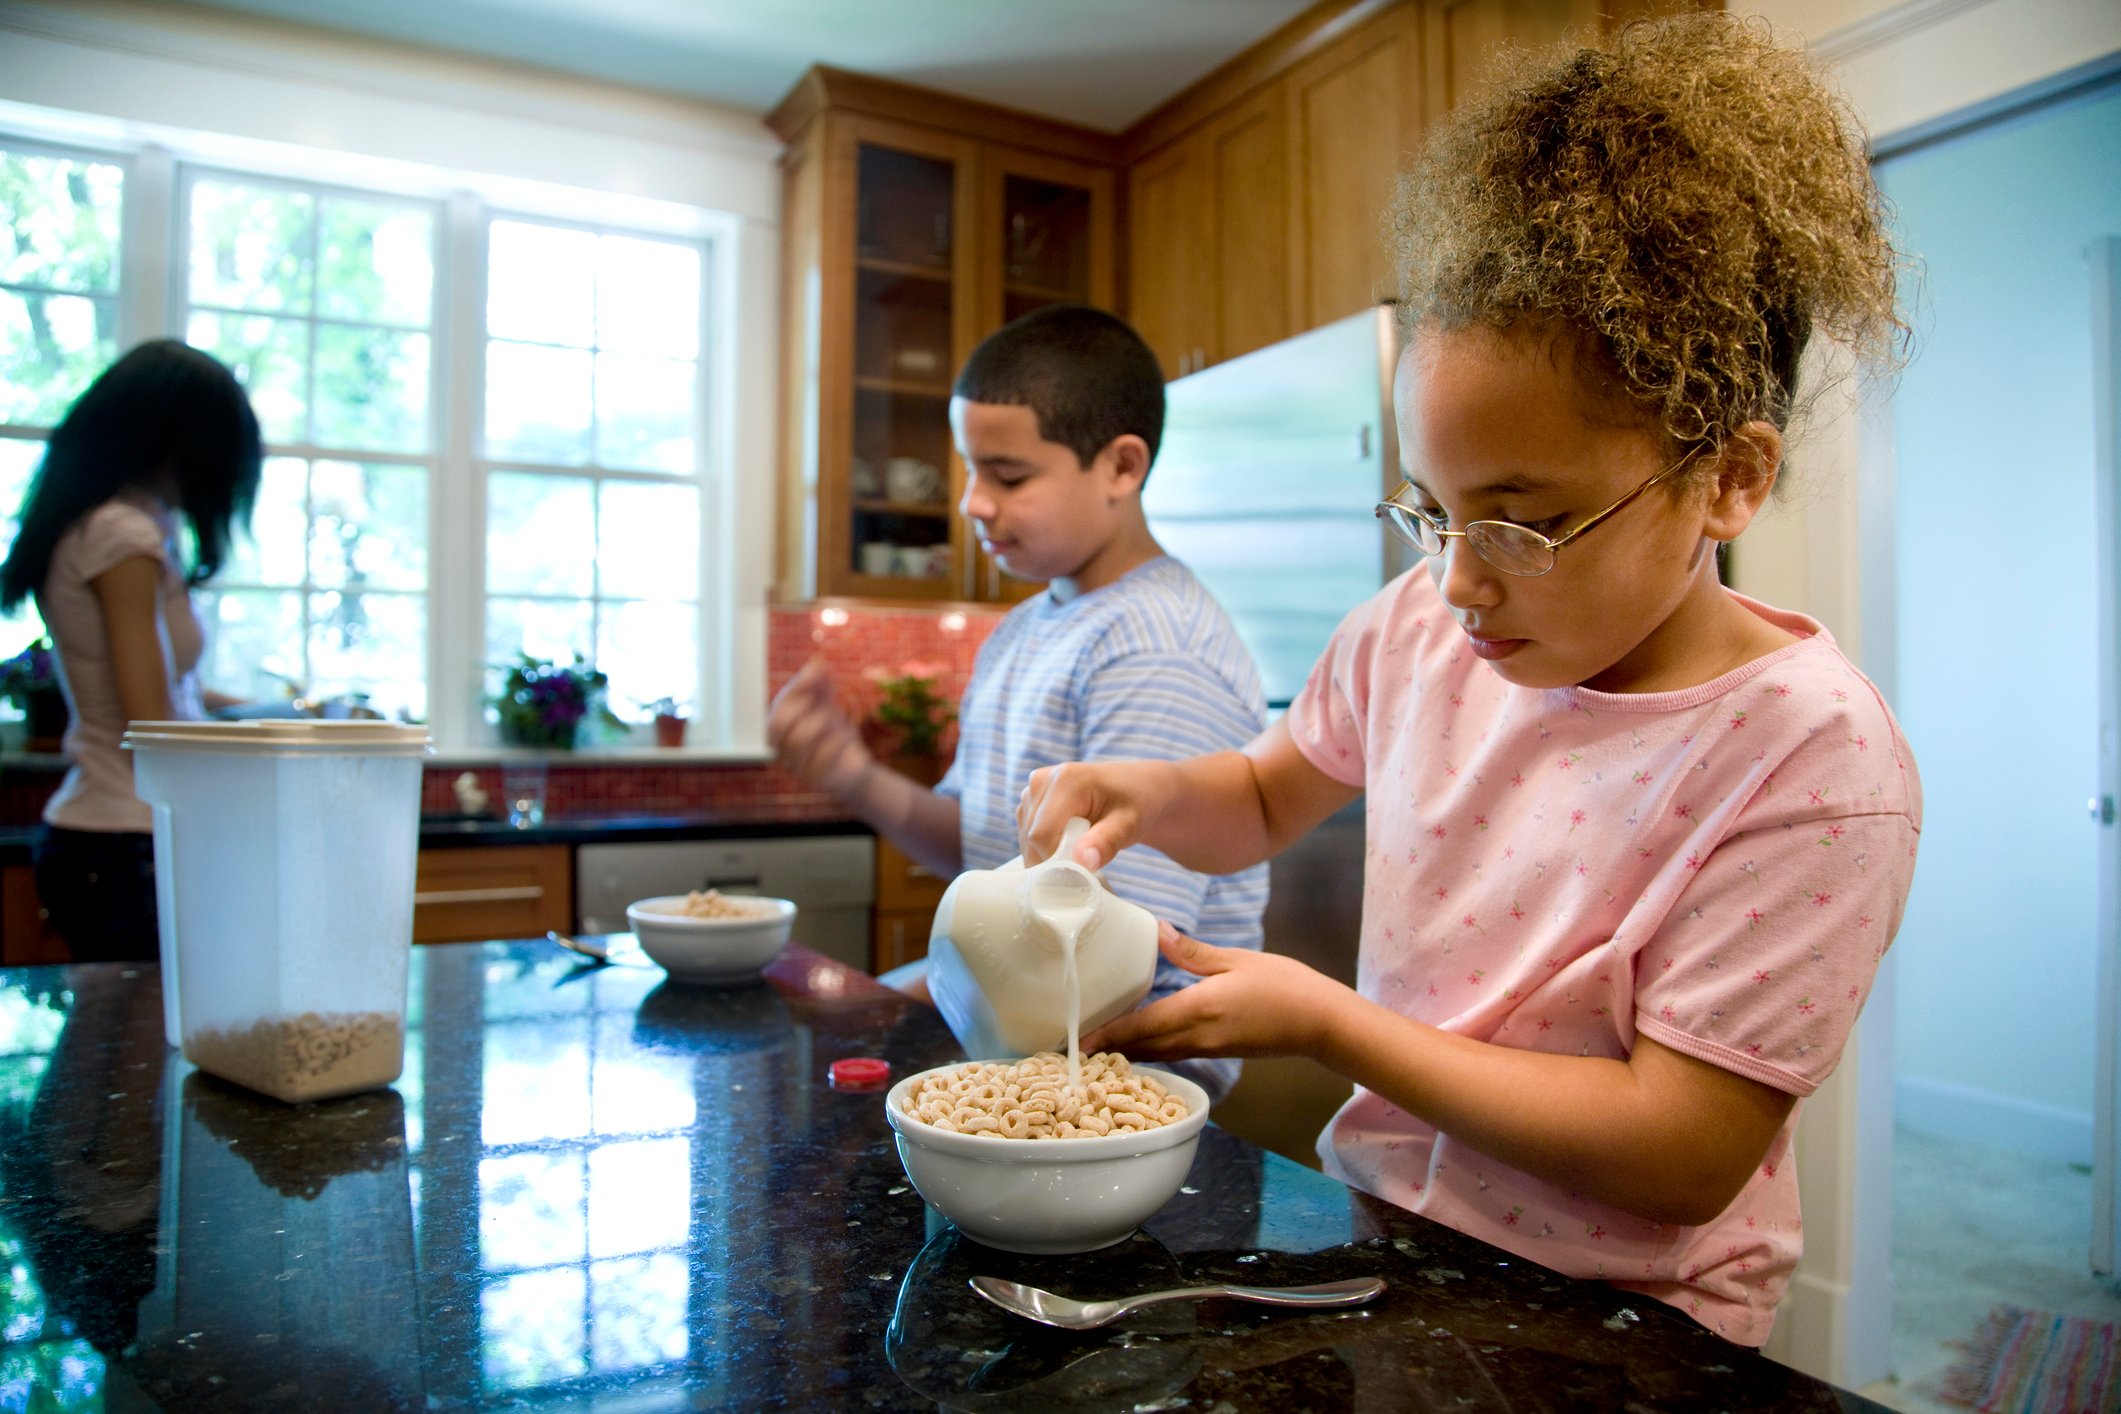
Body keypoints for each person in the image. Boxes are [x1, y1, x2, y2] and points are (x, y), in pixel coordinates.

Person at [1017, 14, 1920, 1346]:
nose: (1456, 581)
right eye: (1431, 512)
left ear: (1727, 478)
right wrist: (1143, 791)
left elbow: (1680, 1152)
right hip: (1390, 1244)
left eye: (1522, 521)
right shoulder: (1415, 629)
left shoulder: (1813, 763)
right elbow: (1267, 793)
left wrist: (1331, 1022)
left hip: (1625, 1326)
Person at [768, 303, 1270, 1101]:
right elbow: (984, 854)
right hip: (1024, 1037)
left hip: (1136, 1082)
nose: (972, 502)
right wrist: (850, 773)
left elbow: (1107, 952)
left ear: (1120, 468)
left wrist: (889, 1007)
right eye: (970, 469)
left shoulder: (1153, 646)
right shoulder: (1024, 629)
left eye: (1007, 476)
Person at [0, 340, 261, 962]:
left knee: (135, 1051)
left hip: (113, 839)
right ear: (171, 441)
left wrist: (265, 710)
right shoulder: (121, 534)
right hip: (123, 842)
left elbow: (159, 687)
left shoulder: (120, 524)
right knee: (141, 1053)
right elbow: (152, 721)